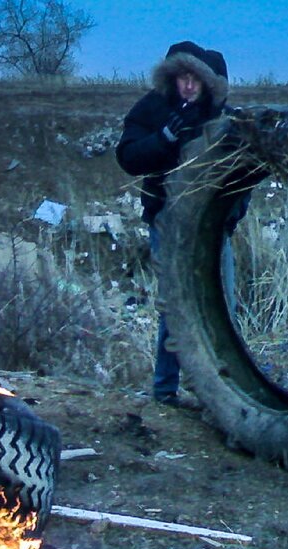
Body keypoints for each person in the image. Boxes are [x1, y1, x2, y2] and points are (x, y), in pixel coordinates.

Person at [115, 40, 236, 409]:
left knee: (222, 304)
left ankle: (223, 393)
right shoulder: (154, 107)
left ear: (207, 82)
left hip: (215, 228)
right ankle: (165, 389)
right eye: (182, 76)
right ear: (172, 77)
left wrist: (232, 218)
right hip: (167, 222)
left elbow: (241, 175)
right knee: (177, 303)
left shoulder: (221, 116)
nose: (187, 85)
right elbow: (129, 157)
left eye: (195, 78)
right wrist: (164, 137)